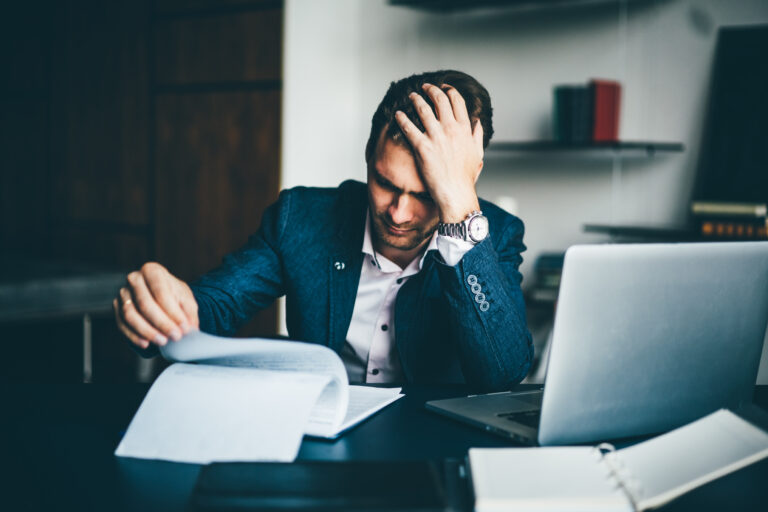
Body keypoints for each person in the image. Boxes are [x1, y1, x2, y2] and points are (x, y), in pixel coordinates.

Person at [114, 70, 533, 392]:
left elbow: (503, 374)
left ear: (463, 182)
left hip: (433, 453)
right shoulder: (302, 217)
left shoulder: (493, 234)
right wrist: (165, 310)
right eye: (386, 183)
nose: (400, 212)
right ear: (369, 157)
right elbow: (216, 305)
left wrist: (458, 208)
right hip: (321, 434)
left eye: (426, 195)